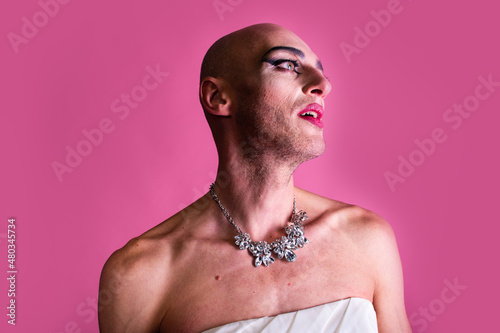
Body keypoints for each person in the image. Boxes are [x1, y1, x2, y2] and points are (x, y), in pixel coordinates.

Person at [98, 23, 412, 332]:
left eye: (322, 71)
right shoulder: (141, 275)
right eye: (288, 65)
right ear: (218, 97)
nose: (323, 85)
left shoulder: (367, 239)